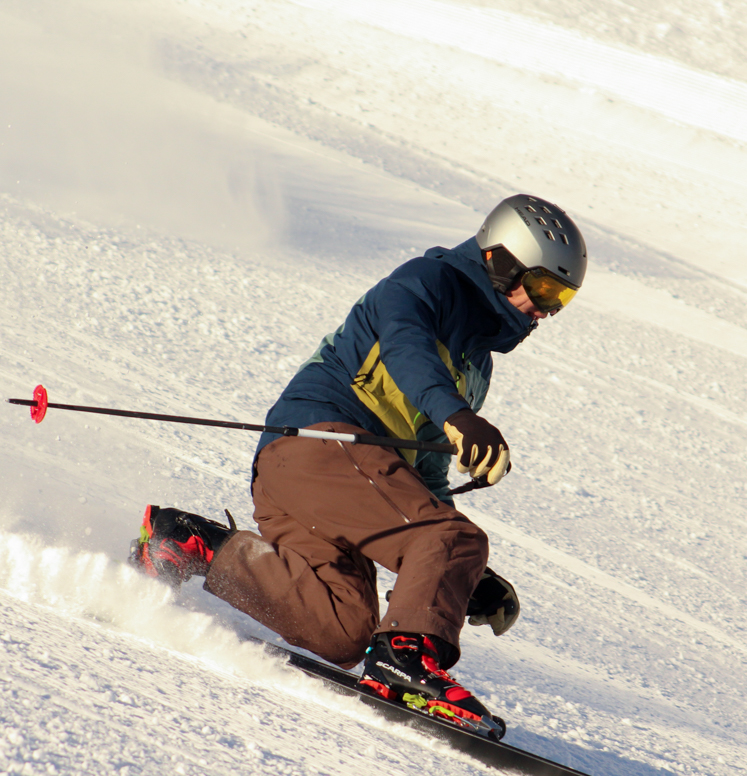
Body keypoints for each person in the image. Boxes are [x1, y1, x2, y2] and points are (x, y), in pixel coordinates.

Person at [130, 194, 587, 737]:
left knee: (343, 629)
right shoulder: (426, 283)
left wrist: (457, 579)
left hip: (331, 484)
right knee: (452, 539)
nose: (547, 309)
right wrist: (458, 421)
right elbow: (406, 348)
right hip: (316, 443)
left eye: (562, 298)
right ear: (500, 260)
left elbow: (423, 474)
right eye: (542, 288)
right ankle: (406, 662)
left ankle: (192, 544)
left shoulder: (475, 367)